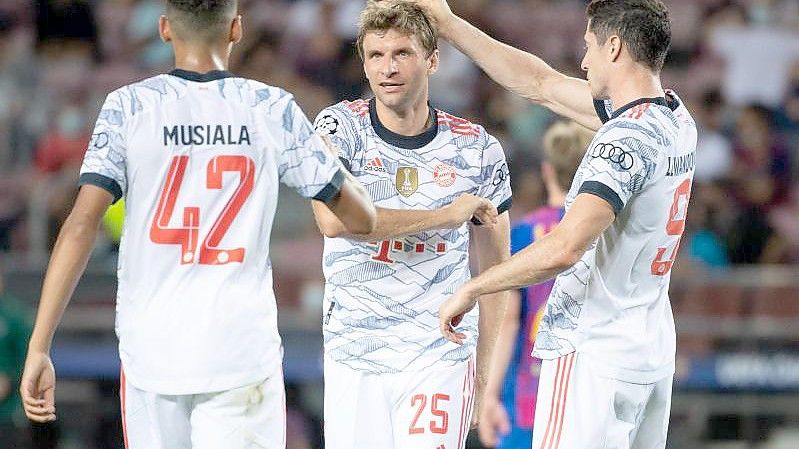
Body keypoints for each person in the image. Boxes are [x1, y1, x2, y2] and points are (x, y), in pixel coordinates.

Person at [19, 1, 377, 449]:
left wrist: (39, 345)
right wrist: (327, 152)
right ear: (236, 29)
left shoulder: (128, 107)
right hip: (241, 350)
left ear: (165, 29)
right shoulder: (272, 107)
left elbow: (79, 226)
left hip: (152, 351)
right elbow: (361, 217)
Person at [419, 0, 698, 448]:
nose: (584, 60)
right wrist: (449, 25)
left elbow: (566, 246)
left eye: (588, 46)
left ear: (614, 46)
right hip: (649, 351)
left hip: (594, 353)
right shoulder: (675, 119)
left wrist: (475, 286)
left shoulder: (622, 143)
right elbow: (540, 84)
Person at [310, 1, 512, 448]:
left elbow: (498, 274)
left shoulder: (476, 149)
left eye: (402, 53)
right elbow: (330, 218)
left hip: (438, 353)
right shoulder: (338, 127)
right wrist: (444, 216)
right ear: (363, 63)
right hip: (354, 354)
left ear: (433, 60)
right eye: (376, 56)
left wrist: (483, 380)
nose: (388, 68)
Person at [478, 121, 592, 449]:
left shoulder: (524, 235)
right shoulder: (601, 234)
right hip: (586, 387)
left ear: (547, 171)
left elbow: (508, 321)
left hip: (527, 393)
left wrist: (489, 394)